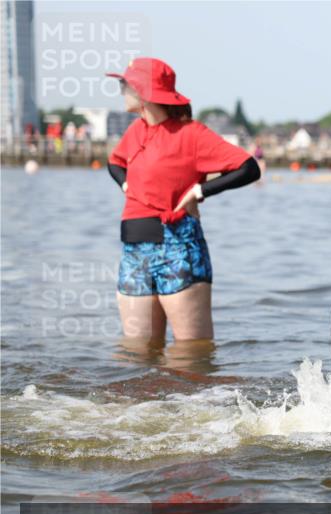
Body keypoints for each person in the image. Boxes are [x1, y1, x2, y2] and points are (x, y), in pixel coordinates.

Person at [105, 58, 260, 341]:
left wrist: (200, 191)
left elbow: (249, 167)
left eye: (124, 83)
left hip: (178, 249)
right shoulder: (135, 131)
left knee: (191, 357)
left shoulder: (192, 134)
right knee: (136, 358)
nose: (121, 90)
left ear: (143, 90)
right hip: (134, 252)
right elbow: (114, 161)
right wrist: (127, 184)